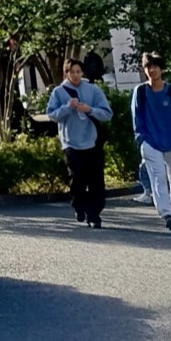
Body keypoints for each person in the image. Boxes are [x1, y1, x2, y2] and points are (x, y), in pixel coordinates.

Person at [46, 60, 114, 228]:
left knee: (96, 180)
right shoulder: (59, 92)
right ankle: (79, 206)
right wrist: (67, 107)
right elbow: (52, 115)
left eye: (78, 71)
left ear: (82, 73)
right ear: (66, 73)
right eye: (72, 72)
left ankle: (94, 214)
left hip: (93, 141)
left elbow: (107, 113)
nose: (75, 75)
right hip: (71, 142)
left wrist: (90, 109)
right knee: (78, 179)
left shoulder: (93, 90)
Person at [132, 53, 171, 231]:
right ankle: (166, 214)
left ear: (162, 69)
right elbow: (137, 118)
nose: (152, 70)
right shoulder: (141, 92)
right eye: (148, 67)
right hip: (151, 141)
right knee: (158, 178)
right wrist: (142, 139)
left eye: (155, 66)